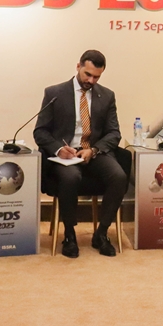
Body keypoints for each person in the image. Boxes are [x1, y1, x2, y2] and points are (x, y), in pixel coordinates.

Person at [34, 49, 126, 258]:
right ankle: (69, 235)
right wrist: (59, 149)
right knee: (70, 177)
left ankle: (101, 233)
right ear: (78, 66)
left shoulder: (107, 96)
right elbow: (40, 132)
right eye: (88, 74)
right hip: (65, 155)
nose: (91, 81)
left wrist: (93, 150)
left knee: (119, 176)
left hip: (93, 152)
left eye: (96, 77)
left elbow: (114, 133)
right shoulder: (54, 93)